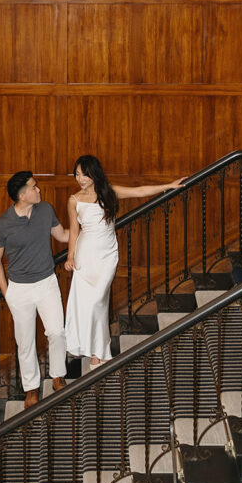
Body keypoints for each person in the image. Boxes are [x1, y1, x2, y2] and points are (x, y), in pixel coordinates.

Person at [64, 155, 186, 367]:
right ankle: (98, 352)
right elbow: (74, 231)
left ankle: (98, 350)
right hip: (85, 255)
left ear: (94, 173)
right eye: (77, 174)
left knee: (98, 301)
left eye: (84, 174)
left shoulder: (108, 192)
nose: (80, 179)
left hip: (107, 255)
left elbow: (138, 191)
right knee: (91, 305)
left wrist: (168, 186)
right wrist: (70, 256)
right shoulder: (73, 200)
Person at [0, 171, 70, 408]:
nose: (39, 190)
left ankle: (58, 377)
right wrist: (7, 293)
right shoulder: (1, 224)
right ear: (22, 195)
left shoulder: (45, 210)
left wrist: (90, 231)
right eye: (34, 188)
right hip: (19, 289)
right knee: (25, 343)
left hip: (46, 282)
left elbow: (63, 235)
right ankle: (32, 389)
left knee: (56, 332)